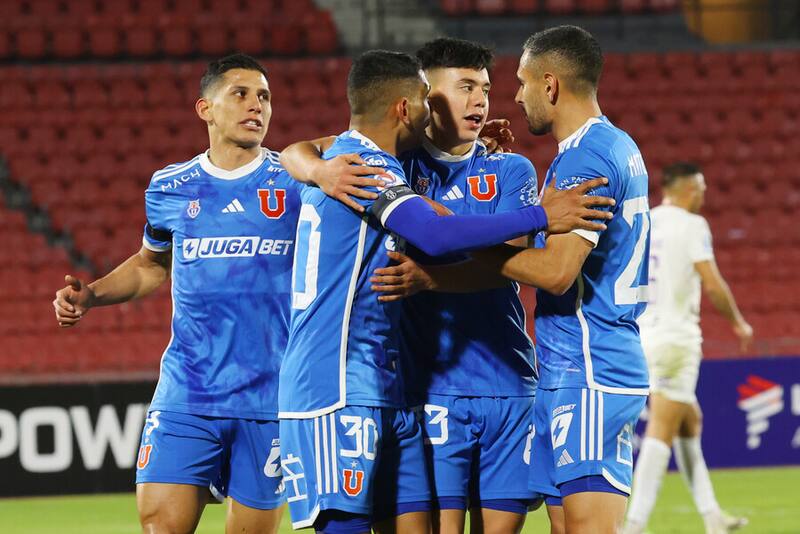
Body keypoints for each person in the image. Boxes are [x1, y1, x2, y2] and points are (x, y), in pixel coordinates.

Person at [279, 38, 618, 534]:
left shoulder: (506, 166)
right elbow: (299, 152)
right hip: (381, 385)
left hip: (483, 381)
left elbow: (505, 256)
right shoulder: (384, 163)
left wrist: (432, 272)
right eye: (463, 88)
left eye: (485, 88)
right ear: (419, 103)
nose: (480, 100)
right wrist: (317, 169)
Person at [52, 54, 298, 534]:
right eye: (241, 94)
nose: (257, 106)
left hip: (270, 396)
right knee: (159, 526)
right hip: (188, 390)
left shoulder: (295, 182)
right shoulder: (170, 187)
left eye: (265, 96)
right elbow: (151, 265)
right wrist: (92, 295)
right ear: (205, 108)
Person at [428, 25, 652, 533]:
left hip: (591, 366)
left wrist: (458, 238)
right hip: (564, 367)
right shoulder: (605, 146)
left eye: (522, 82)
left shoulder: (587, 158)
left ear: (549, 85)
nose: (515, 96)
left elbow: (555, 272)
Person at [624, 162, 752, 534]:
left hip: (643, 334)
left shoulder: (646, 220)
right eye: (701, 188)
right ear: (687, 189)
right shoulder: (692, 225)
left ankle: (713, 518)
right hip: (676, 339)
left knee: (689, 419)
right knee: (662, 427)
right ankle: (634, 525)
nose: (704, 195)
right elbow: (712, 283)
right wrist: (738, 322)